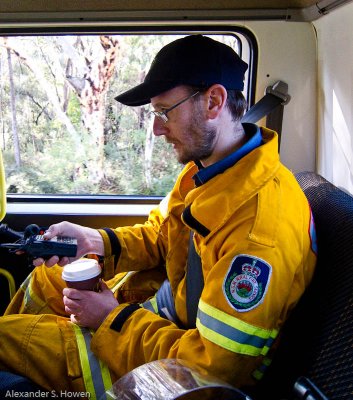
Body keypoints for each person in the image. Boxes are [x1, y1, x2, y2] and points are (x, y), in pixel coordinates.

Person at [0, 35, 317, 398]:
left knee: (3, 341)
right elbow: (162, 235)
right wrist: (95, 242)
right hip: (166, 312)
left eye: (165, 111)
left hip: (180, 373)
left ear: (214, 102)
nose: (157, 128)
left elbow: (212, 371)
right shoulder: (209, 171)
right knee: (45, 280)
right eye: (155, 113)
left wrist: (110, 318)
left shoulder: (260, 229)